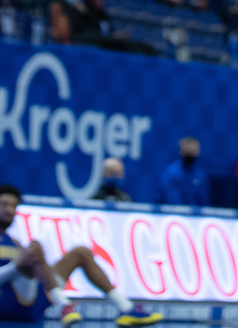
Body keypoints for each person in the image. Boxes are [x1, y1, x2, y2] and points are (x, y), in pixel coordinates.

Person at [0, 184, 158, 326]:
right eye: (5, 204)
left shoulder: (15, 242)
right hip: (6, 303)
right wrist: (18, 264)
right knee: (33, 252)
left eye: (14, 206)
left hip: (31, 299)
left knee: (80, 252)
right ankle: (63, 304)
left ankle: (125, 307)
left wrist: (32, 262)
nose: (10, 210)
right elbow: (19, 267)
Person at [158, 137, 209, 206]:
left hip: (195, 215)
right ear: (181, 151)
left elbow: (203, 201)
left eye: (194, 151)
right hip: (172, 215)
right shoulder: (171, 173)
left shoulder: (200, 175)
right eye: (188, 151)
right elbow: (172, 200)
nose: (191, 153)